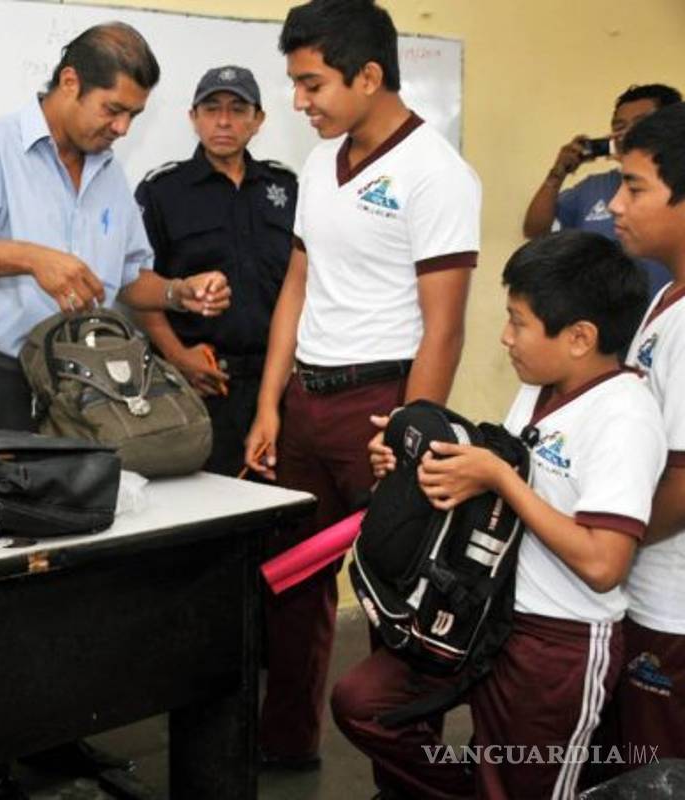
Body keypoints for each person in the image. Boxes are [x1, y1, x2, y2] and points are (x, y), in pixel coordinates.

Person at [332, 231, 665, 800]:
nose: (505, 338)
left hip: (557, 643)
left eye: (518, 322)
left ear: (580, 337)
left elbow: (604, 562)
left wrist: (500, 479)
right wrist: (413, 463)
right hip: (487, 616)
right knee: (363, 704)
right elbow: (497, 486)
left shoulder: (624, 416)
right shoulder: (543, 388)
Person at [243, 0, 481, 773]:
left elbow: (444, 325)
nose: (299, 102)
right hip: (307, 404)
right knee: (292, 588)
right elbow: (298, 286)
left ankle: (403, 774)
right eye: (296, 84)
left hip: (381, 409)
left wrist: (410, 430)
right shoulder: (321, 163)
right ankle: (286, 747)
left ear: (369, 75)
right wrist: (270, 403)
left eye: (312, 85)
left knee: (394, 601)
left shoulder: (437, 175)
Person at [0, 22, 229, 437]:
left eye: (134, 115)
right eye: (113, 110)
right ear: (70, 82)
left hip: (91, 392)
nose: (123, 129)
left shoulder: (110, 173)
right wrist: (32, 258)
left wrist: (176, 292)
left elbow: (128, 279)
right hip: (1, 389)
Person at [134, 65, 297, 476]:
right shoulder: (162, 191)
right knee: (203, 511)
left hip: (279, 385)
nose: (223, 121)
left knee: (280, 511)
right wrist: (177, 355)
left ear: (257, 120)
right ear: (193, 117)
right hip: (197, 385)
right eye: (211, 108)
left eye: (237, 109)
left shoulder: (288, 188)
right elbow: (134, 284)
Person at [607, 100, 685, 769]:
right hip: (648, 587)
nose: (614, 205)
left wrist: (599, 546)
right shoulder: (665, 296)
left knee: (658, 770)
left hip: (674, 605)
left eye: (635, 187)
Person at [522, 83, 681, 298]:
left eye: (640, 123)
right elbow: (535, 230)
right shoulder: (592, 187)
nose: (615, 206)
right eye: (619, 126)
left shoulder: (677, 184)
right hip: (609, 324)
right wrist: (558, 172)